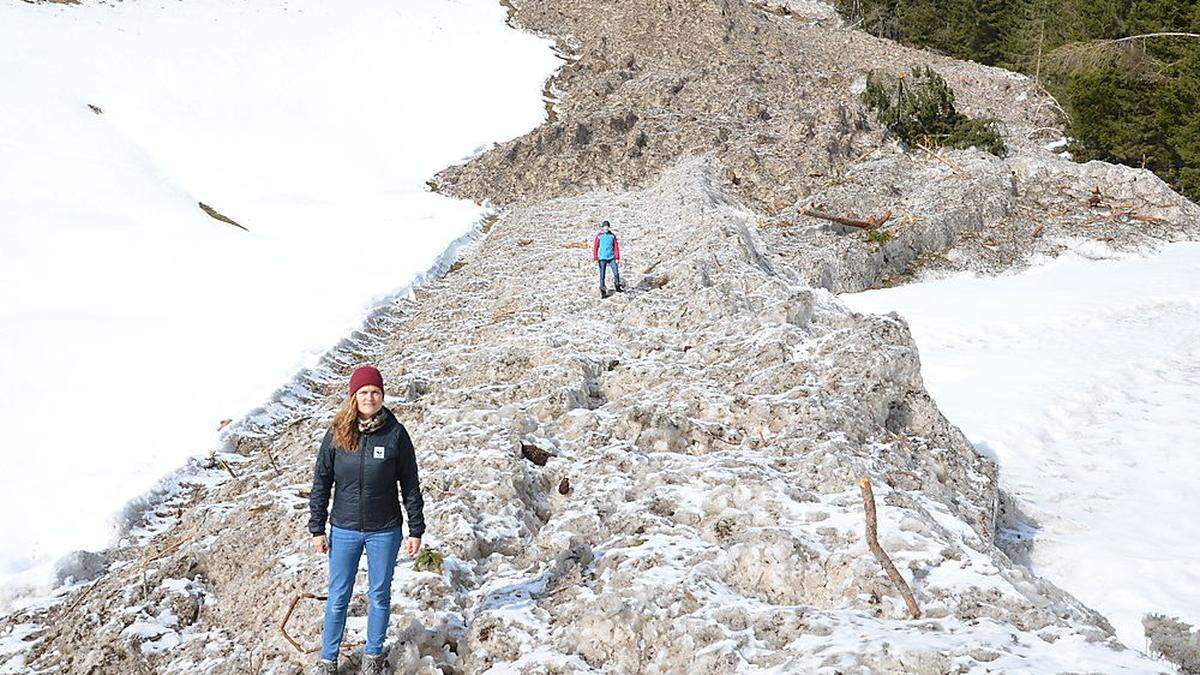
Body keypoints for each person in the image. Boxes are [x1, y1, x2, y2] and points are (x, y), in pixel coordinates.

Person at [307, 365, 425, 675]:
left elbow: (410, 484)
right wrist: (317, 527)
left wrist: (416, 529)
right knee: (338, 597)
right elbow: (321, 482)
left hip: (384, 531)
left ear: (382, 395)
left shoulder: (396, 434)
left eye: (375, 392)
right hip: (344, 528)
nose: (369, 397)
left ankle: (372, 658)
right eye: (363, 392)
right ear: (353, 397)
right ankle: (327, 660)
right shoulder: (337, 433)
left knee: (379, 595)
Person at [592, 220, 623, 298]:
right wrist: (595, 258)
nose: (606, 228)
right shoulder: (599, 236)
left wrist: (617, 257)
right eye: (604, 227)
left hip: (612, 257)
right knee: (602, 275)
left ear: (609, 227)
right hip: (602, 258)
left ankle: (617, 286)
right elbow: (595, 247)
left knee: (616, 273)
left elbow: (616, 247)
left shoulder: (612, 236)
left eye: (607, 227)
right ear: (602, 227)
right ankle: (603, 291)